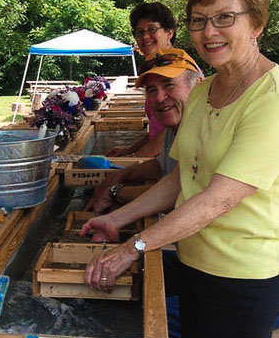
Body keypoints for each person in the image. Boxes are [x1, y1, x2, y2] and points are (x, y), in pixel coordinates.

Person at [81, 0, 279, 338]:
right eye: (198, 19)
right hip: (198, 266)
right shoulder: (205, 90)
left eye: (224, 18)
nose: (209, 31)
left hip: (244, 282)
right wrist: (118, 219)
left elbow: (218, 198)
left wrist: (133, 248)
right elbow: (181, 177)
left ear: (256, 22)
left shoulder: (276, 99)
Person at [86, 49, 202, 216]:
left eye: (169, 84)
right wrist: (120, 176)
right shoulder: (176, 126)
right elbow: (162, 166)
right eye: (152, 90)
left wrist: (115, 192)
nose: (160, 98)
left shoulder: (206, 130)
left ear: (197, 85)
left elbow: (179, 191)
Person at [106, 2, 176, 158]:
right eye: (139, 32)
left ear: (169, 32)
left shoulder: (178, 69)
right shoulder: (156, 69)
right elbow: (156, 132)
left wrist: (134, 162)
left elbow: (172, 132)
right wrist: (128, 151)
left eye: (152, 29)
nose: (145, 37)